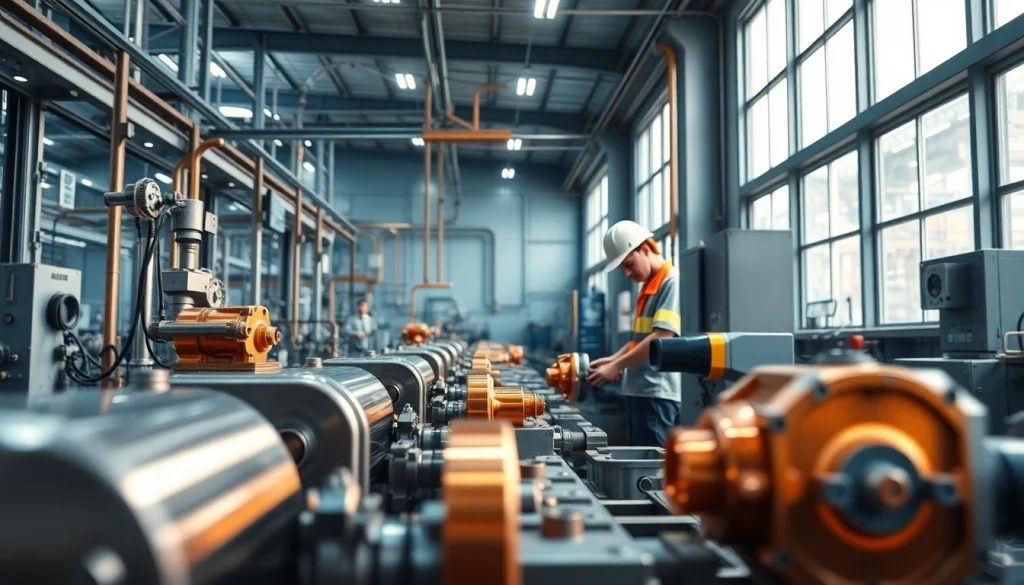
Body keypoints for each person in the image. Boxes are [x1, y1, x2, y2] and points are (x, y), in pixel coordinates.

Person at [586, 220, 681, 447]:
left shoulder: (672, 283)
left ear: (645, 249)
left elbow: (662, 338)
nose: (627, 273)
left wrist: (618, 366)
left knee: (653, 467)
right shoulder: (649, 287)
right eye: (622, 268)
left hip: (656, 392)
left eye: (629, 264)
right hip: (642, 390)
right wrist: (615, 359)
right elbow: (639, 340)